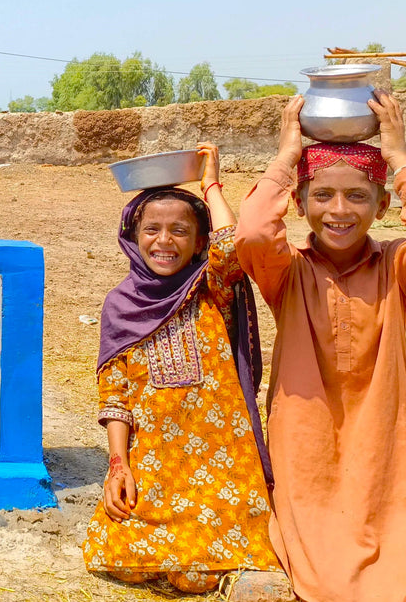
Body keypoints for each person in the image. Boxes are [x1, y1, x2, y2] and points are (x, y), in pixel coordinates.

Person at [84, 143, 281, 595]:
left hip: (225, 463)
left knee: (241, 551)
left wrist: (210, 183)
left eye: (180, 230)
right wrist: (119, 465)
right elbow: (114, 395)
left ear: (198, 242)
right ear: (133, 238)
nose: (164, 241)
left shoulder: (212, 287)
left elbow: (235, 245)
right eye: (151, 229)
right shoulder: (120, 306)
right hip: (158, 460)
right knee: (116, 552)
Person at [235, 92, 406, 602]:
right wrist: (286, 157)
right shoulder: (289, 271)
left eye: (357, 196)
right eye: (322, 195)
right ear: (300, 202)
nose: (339, 210)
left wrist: (398, 158)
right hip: (307, 444)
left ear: (383, 204)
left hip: (386, 444)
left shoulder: (395, 265)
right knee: (326, 574)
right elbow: (250, 232)